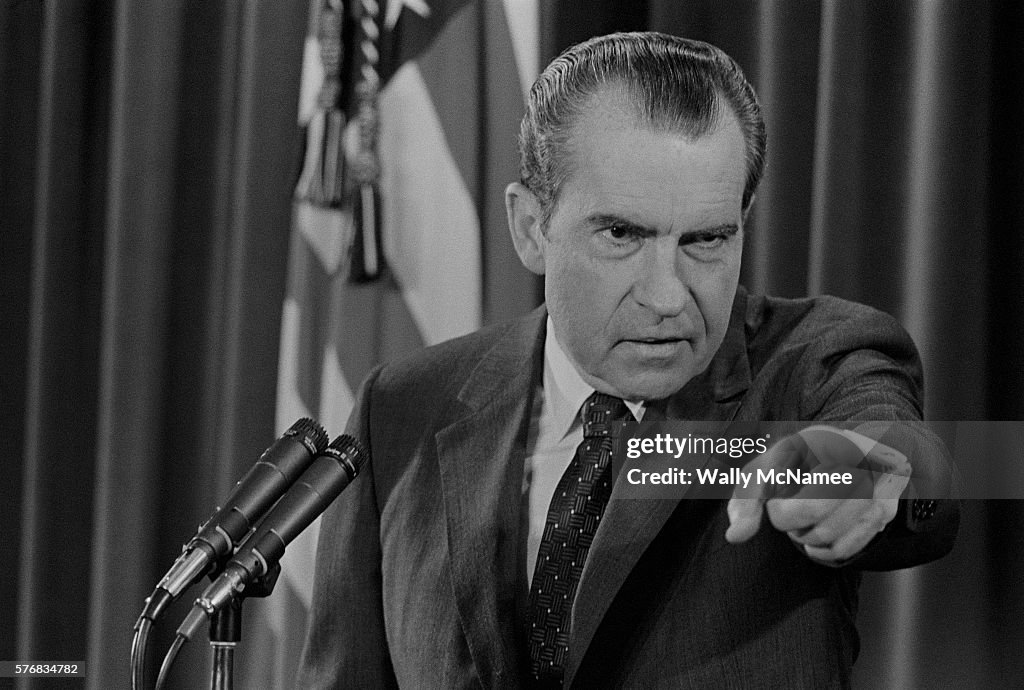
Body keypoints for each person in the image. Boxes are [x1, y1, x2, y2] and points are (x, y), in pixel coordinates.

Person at [298, 32, 958, 688]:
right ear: (531, 227)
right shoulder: (402, 407)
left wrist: (860, 470)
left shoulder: (814, 360)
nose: (668, 296)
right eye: (621, 234)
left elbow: (908, 459)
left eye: (706, 240)